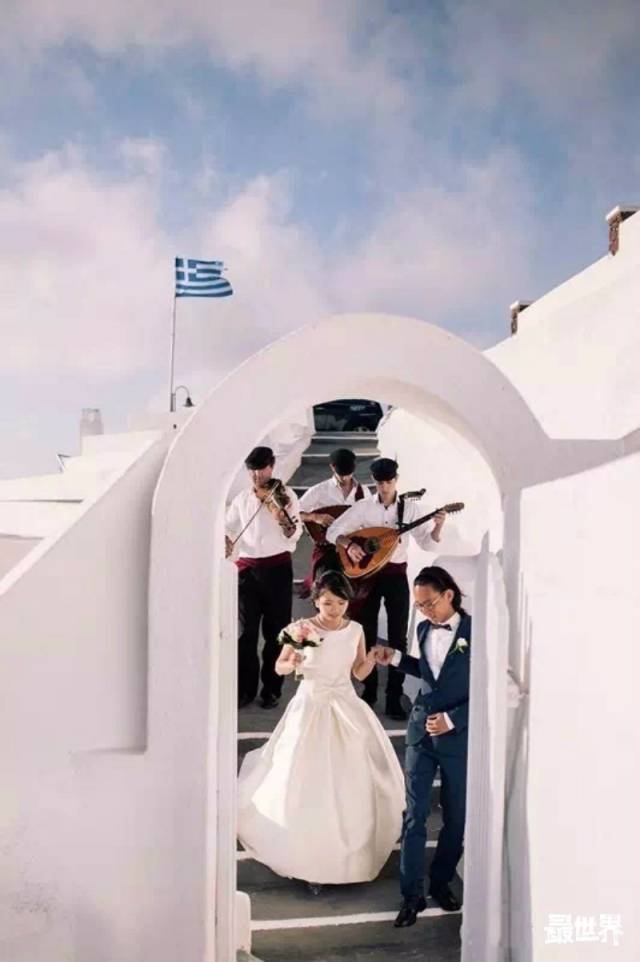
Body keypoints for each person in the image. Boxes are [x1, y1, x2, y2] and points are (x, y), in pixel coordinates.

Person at [236, 571, 405, 890]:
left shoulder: (355, 630)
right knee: (304, 779)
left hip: (345, 705)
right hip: (310, 706)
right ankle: (307, 858)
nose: (335, 609)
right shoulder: (300, 629)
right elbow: (279, 666)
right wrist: (293, 662)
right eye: (328, 603)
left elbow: (358, 673)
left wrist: (371, 659)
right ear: (316, 601)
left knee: (350, 780)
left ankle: (347, 857)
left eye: (341, 603)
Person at [376, 566, 470, 927]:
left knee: (456, 816)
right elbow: (430, 672)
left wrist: (453, 720)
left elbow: (488, 686)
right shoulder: (423, 629)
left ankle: (441, 882)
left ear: (449, 595)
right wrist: (397, 658)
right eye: (419, 606)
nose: (425, 612)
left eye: (429, 604)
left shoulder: (477, 632)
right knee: (414, 816)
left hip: (457, 738)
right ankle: (411, 896)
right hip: (420, 733)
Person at [325, 457, 447, 721]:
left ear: (396, 480)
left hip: (396, 575)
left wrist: (438, 526)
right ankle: (368, 693)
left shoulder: (409, 510)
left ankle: (394, 696)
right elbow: (333, 532)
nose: (384, 487)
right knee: (366, 631)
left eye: (389, 482)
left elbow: (428, 544)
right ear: (374, 482)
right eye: (380, 483)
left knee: (397, 636)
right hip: (368, 576)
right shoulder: (363, 507)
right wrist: (349, 545)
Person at [225, 446, 302, 709]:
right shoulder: (241, 498)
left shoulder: (287, 496)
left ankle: (271, 689)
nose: (257, 475)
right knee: (245, 634)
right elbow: (229, 526)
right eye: (252, 470)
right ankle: (244, 690)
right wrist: (226, 539)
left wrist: (283, 520)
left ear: (272, 466)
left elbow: (295, 534)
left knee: (276, 633)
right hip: (246, 571)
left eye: (262, 469)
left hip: (277, 569)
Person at [298, 447, 371, 595]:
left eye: (349, 473)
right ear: (332, 467)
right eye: (341, 474)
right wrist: (315, 517)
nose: (345, 478)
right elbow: (294, 514)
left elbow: (370, 518)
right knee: (324, 588)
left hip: (353, 548)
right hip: (327, 549)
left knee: (353, 592)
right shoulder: (319, 490)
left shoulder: (364, 492)